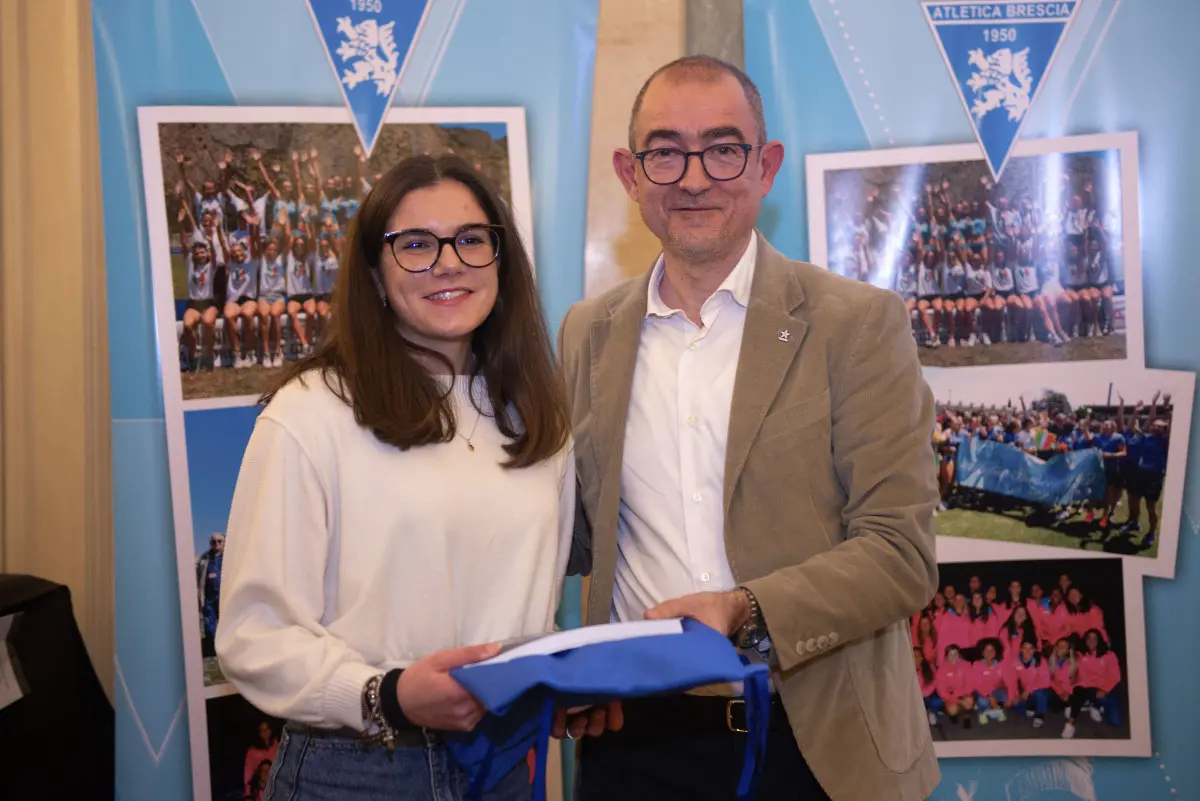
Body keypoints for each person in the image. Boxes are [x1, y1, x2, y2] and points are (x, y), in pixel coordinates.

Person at [559, 56, 939, 801]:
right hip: (633, 744)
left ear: (766, 167)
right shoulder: (585, 333)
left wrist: (746, 609)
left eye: (723, 148)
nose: (694, 177)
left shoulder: (856, 325)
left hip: (813, 742)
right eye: (665, 152)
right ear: (630, 174)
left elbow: (901, 554)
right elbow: (571, 535)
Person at [215, 154, 607, 800]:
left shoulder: (536, 415)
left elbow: (514, 600)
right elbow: (253, 635)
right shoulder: (311, 412)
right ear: (375, 272)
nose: (449, 263)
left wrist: (560, 677)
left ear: (501, 261)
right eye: (417, 244)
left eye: (471, 239)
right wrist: (387, 694)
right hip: (360, 768)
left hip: (504, 765)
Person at [196, 532, 224, 658]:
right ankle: (213, 647)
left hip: (224, 596)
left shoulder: (229, 558)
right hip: (209, 597)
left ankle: (226, 648)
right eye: (213, 542)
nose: (216, 544)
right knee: (209, 624)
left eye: (219, 541)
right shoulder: (204, 558)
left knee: (227, 622)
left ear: (224, 543)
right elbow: (197, 576)